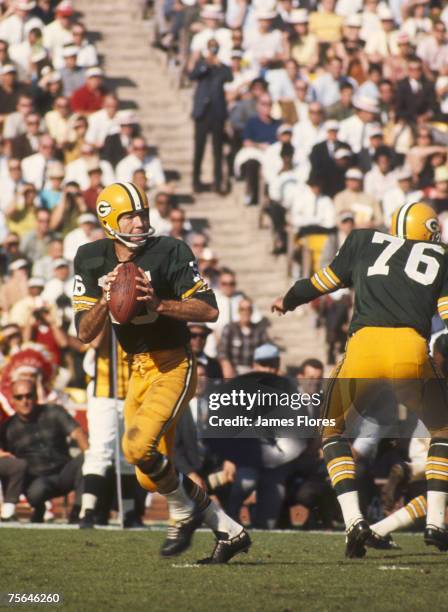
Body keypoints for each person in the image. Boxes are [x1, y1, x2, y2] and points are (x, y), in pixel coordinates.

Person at [73, 181, 250, 563]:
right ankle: (228, 530)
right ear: (109, 222)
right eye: (130, 216)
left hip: (173, 364)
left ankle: (183, 513)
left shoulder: (170, 250)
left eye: (143, 214)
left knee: (136, 448)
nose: (139, 222)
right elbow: (85, 333)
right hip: (135, 368)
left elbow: (209, 311)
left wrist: (159, 303)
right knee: (146, 474)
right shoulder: (90, 257)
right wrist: (107, 301)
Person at [272, 201, 448, 556]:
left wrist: (288, 299)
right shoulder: (442, 255)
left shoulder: (364, 240)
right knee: (443, 432)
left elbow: (322, 282)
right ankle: (437, 521)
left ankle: (353, 521)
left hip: (363, 349)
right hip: (411, 351)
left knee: (331, 430)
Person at [0, 377, 88, 523]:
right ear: (12, 400)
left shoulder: (53, 411)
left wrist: (88, 453)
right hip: (38, 480)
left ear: (36, 396)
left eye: (29, 396)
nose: (25, 401)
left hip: (64, 471)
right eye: (19, 397)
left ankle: (79, 511)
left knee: (88, 459)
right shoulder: (7, 427)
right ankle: (36, 509)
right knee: (36, 492)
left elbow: (77, 432)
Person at [190, 38, 233, 194]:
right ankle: (196, 181)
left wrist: (218, 64)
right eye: (211, 48)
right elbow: (192, 75)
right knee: (199, 148)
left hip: (217, 112)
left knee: (217, 150)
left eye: (215, 48)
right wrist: (205, 64)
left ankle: (218, 181)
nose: (213, 51)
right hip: (202, 112)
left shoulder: (222, 67)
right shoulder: (202, 64)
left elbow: (230, 77)